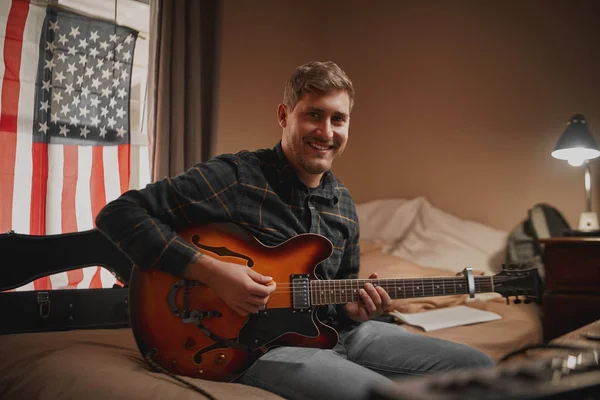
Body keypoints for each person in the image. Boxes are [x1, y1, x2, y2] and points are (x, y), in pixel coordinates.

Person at [95, 61, 494, 400]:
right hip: (255, 346)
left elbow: (338, 299)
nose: (326, 131)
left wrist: (356, 311)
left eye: (338, 118)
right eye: (313, 114)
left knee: (480, 369)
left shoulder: (344, 207)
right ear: (285, 116)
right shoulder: (236, 177)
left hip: (335, 335)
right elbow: (120, 214)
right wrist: (212, 272)